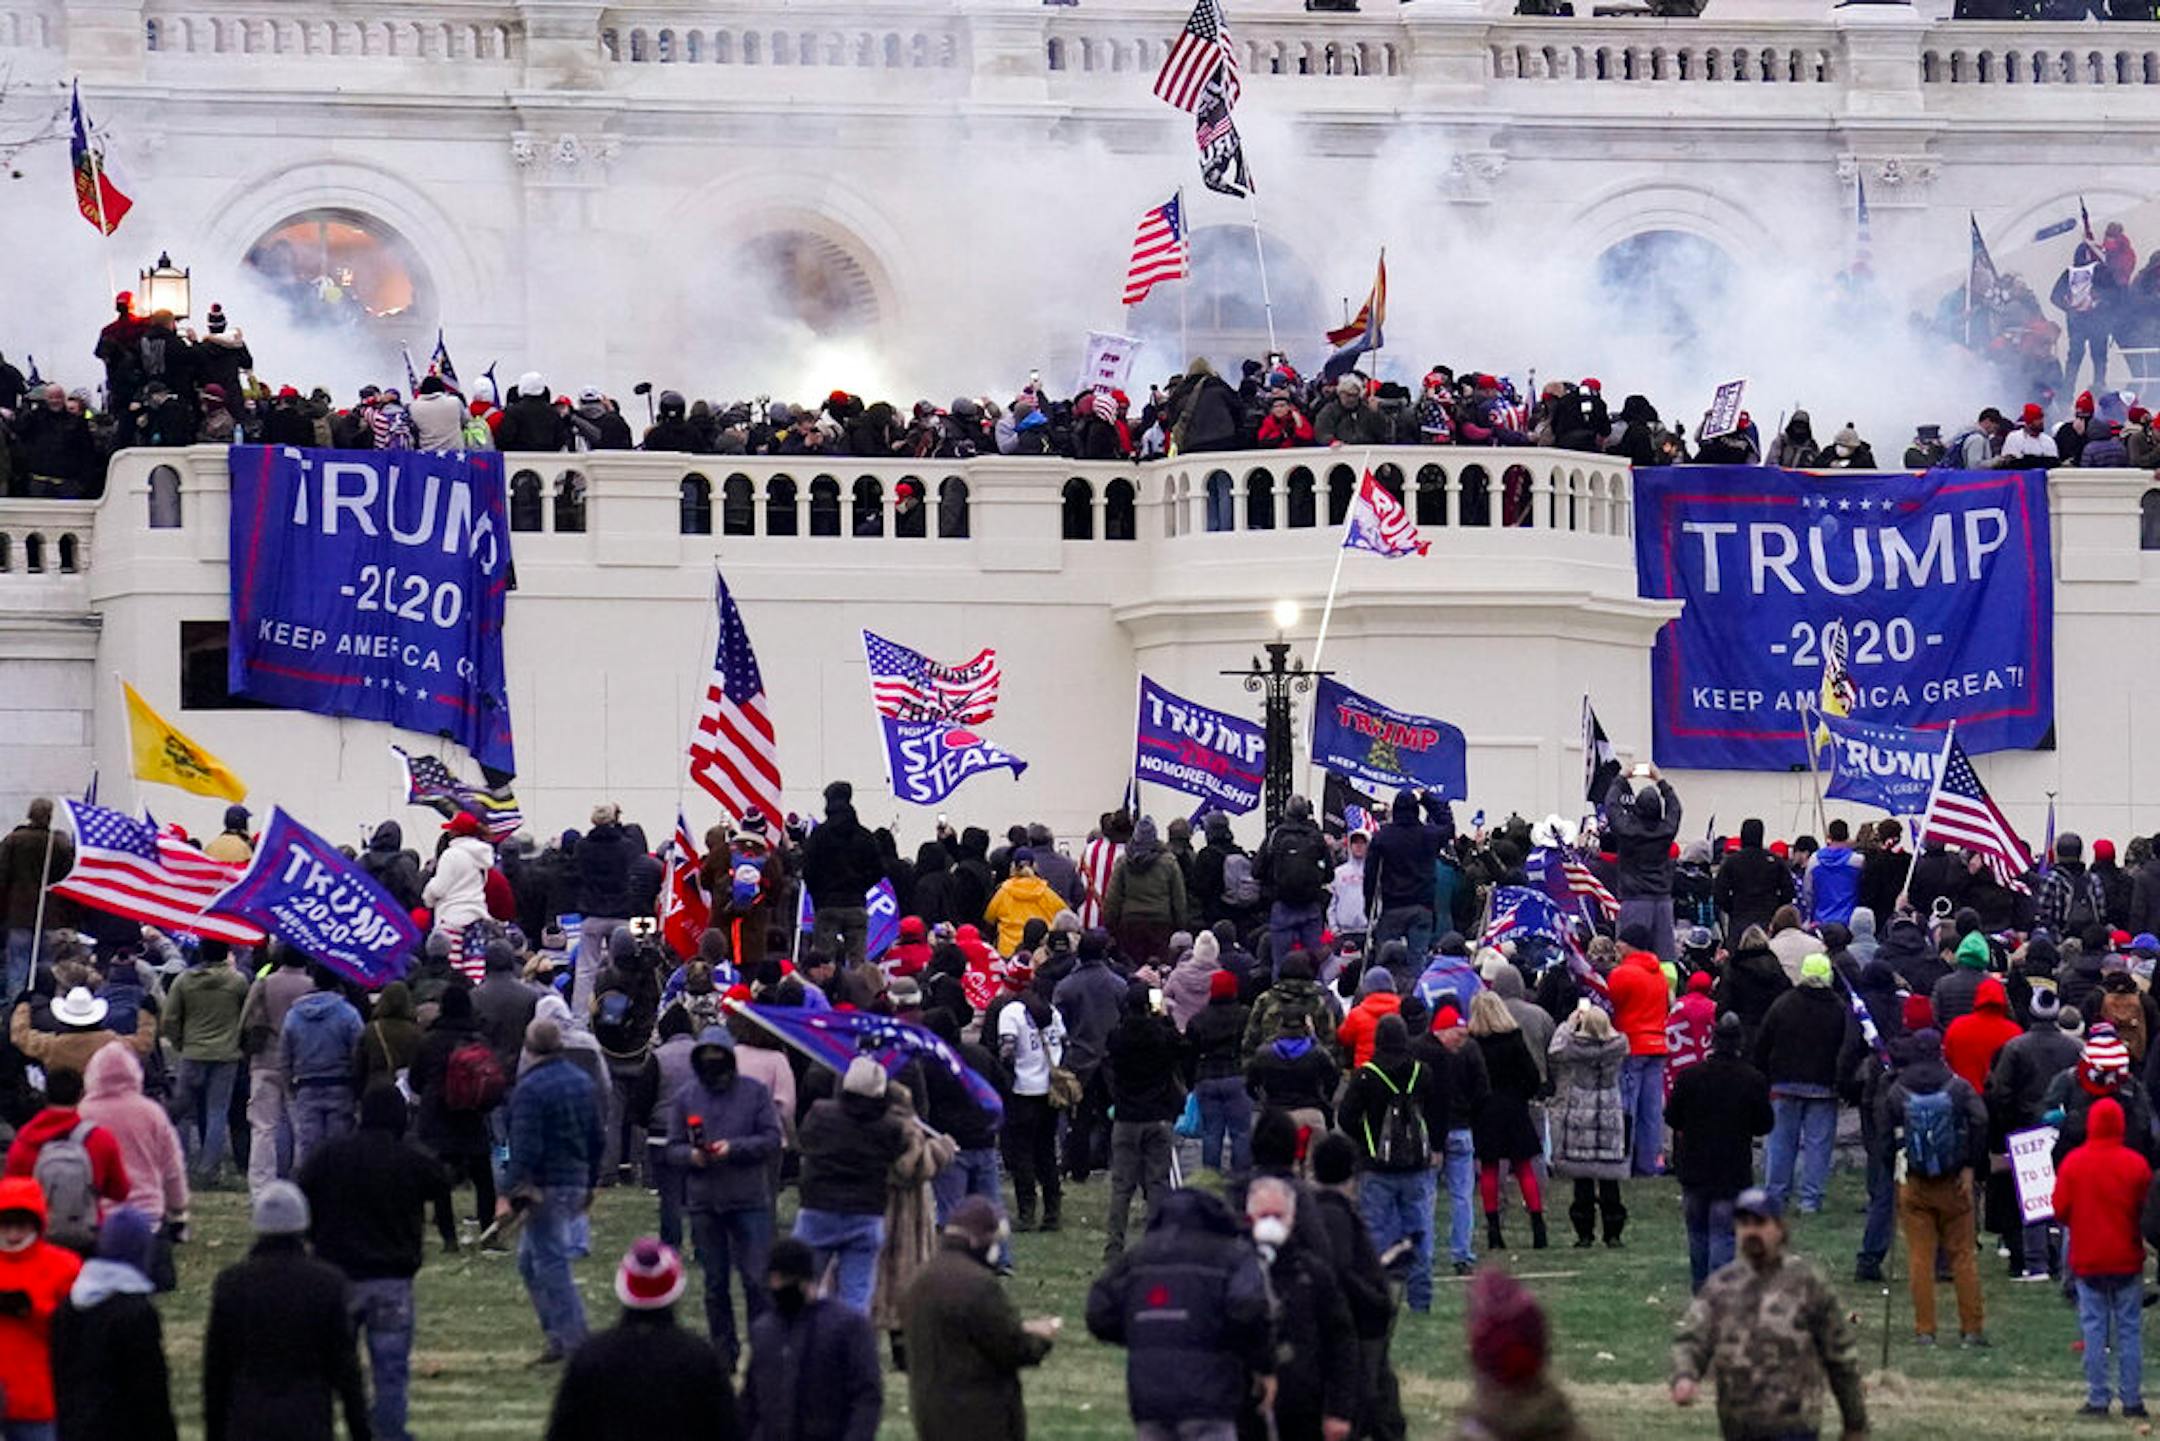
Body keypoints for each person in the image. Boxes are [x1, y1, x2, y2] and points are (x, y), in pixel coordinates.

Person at [295, 1084, 453, 1441]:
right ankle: (389, 1432)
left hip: (335, 1277)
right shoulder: (408, 1159)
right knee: (391, 1368)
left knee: (328, 1367)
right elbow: (442, 1181)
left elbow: (300, 1188)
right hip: (392, 1278)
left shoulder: (329, 1156)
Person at [1670, 1187, 1869, 1441]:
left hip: (1795, 1427)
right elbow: (1692, 1338)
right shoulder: (1721, 1286)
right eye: (1744, 1223)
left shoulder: (1807, 1284)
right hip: (1738, 1428)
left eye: (1760, 1223)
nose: (1751, 1231)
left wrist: (1855, 1423)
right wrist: (1685, 1376)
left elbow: (1840, 1357)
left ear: (1779, 1228)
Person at [1086, 1187, 1275, 1441]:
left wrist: (1142, 1332)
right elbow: (1248, 1310)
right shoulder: (1232, 1256)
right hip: (1211, 1395)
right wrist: (1260, 1363)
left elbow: (1099, 1310)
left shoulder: (1138, 1256)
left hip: (1150, 1397)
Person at [203, 1181, 372, 1441]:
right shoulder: (327, 1283)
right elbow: (345, 1366)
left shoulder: (232, 1284)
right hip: (308, 1420)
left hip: (247, 1421)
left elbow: (217, 1369)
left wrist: (214, 1431)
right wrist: (360, 1430)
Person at [544, 1238, 740, 1441]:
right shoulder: (699, 1358)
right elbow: (728, 1430)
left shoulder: (592, 1357)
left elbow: (563, 1431)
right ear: (675, 1289)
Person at [898, 1195, 1058, 1441]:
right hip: (979, 1416)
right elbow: (1009, 1345)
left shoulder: (919, 1281)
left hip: (931, 1414)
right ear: (978, 1240)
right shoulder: (979, 1286)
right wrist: (1040, 1337)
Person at [667, 1024, 781, 1364]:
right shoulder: (685, 1097)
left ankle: (764, 1351)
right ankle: (723, 1351)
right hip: (705, 1200)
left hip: (748, 1198)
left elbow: (771, 1139)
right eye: (707, 1059)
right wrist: (692, 1156)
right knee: (715, 1284)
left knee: (756, 1281)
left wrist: (734, 1149)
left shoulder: (755, 1093)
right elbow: (672, 1148)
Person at [1876, 1026, 1989, 1347]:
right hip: (1955, 1181)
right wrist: (1970, 1165)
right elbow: (1980, 1120)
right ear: (1940, 1050)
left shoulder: (1898, 1090)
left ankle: (1925, 1330)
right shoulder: (1957, 1087)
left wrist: (1896, 1169)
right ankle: (1971, 1330)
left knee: (1919, 1259)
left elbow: (1885, 1137)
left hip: (1914, 1182)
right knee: (1963, 1257)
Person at [507, 1016, 604, 1364]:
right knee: (529, 1262)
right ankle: (558, 1335)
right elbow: (597, 1136)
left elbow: (525, 1145)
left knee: (549, 1263)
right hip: (575, 1178)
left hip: (545, 1184)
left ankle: (574, 1341)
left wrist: (511, 1189)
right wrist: (592, 1181)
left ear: (529, 1048)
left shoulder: (529, 1089)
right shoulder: (582, 1082)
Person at [2052, 1095, 2153, 1420]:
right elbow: (2147, 1209)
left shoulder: (2074, 1163)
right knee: (2129, 1329)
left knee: (2094, 1329)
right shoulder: (2135, 1164)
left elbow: (2060, 1209)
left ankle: (2097, 1397)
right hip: (2126, 1255)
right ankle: (2132, 1399)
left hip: (2088, 1257)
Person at [1243, 1176, 1358, 1441]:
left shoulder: (1313, 1274)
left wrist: (1339, 1410)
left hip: (1305, 1408)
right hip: (1245, 1409)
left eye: (1278, 1216)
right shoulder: (1235, 1272)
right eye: (1263, 1215)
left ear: (1292, 1218)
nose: (1270, 1223)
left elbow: (1341, 1341)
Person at [1338, 1013, 1440, 1311]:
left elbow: (1346, 1118)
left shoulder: (1366, 1076)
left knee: (1375, 1236)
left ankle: (1376, 1299)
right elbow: (1432, 1111)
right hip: (1415, 1165)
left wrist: (1366, 1140)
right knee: (1419, 1233)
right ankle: (1420, 1300)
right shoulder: (1422, 1073)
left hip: (1376, 1167)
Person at [737, 1236, 883, 1441]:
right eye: (774, 1280)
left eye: (783, 1280)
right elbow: (751, 1400)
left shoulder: (848, 1328)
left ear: (806, 1281)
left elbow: (866, 1397)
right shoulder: (764, 1331)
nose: (777, 1287)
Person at [1667, 1014, 1774, 1293]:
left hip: (1694, 1167)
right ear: (1740, 1043)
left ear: (1712, 1042)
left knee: (1698, 1234)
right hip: (1732, 1170)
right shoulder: (1752, 1080)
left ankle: (1702, 1288)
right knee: (1724, 1234)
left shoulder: (1690, 1077)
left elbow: (1672, 1116)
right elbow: (1765, 1124)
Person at [794, 1055, 908, 1315]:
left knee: (801, 1285)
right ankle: (852, 1348)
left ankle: (798, 1344)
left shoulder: (821, 1113)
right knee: (856, 1296)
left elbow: (805, 1140)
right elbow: (897, 1153)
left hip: (819, 1208)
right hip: (865, 1212)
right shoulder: (889, 1127)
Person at [51, 1206, 176, 1441]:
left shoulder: (70, 1304)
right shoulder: (136, 1313)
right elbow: (149, 1389)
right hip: (122, 1429)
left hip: (73, 1427)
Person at [77, 1044, 187, 1278]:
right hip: (148, 1216)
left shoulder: (83, 1113)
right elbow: (172, 1167)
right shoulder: (151, 1113)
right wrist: (178, 1206)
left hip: (97, 1219)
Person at [1755, 954, 1854, 1215]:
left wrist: (1764, 1075)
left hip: (1784, 1082)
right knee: (1818, 1146)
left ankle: (1775, 1196)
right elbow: (1845, 1049)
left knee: (1779, 1143)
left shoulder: (1783, 1004)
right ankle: (1810, 1199)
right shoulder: (1838, 1009)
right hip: (1824, 1085)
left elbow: (1763, 1042)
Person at [4, 1067, 131, 1250]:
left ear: (46, 1094)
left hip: (38, 1237)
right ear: (81, 1095)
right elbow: (120, 1191)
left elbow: (12, 1190)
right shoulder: (99, 1139)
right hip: (87, 1234)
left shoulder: (25, 1141)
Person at [1103, 982, 1183, 1259]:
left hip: (1126, 1116)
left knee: (1122, 1185)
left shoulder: (1117, 1037)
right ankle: (1157, 1242)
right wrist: (1164, 1016)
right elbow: (1180, 1046)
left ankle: (1114, 1245)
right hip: (1158, 1115)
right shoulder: (1161, 1036)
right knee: (1157, 1183)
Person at [0, 1176, 83, 1441]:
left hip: (39, 1398)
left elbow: (76, 1331)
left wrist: (30, 1311)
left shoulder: (63, 1266)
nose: (13, 1234)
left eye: (20, 1224)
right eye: (6, 1225)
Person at [162, 939, 251, 1182]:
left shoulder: (184, 981)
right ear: (227, 953)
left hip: (192, 1052)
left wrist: (181, 1043)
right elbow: (247, 1017)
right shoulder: (238, 981)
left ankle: (176, 1161)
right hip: (226, 1055)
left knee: (182, 1110)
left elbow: (169, 1018)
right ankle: (209, 1169)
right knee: (217, 1111)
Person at [1467, 990, 1546, 1251]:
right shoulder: (1514, 1038)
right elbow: (1532, 1075)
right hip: (1513, 1106)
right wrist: (1520, 1095)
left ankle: (1494, 1230)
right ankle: (1537, 1225)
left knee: (1489, 1168)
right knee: (1523, 1165)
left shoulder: (1473, 1043)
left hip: (1486, 1109)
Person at [1549, 1002, 1630, 1248]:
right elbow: (1617, 1038)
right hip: (1608, 1111)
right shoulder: (1619, 1047)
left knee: (1582, 1179)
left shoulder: (1573, 1048)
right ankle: (1613, 1231)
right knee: (1609, 1179)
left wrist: (1569, 1023)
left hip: (1580, 1112)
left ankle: (1584, 1233)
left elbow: (1555, 1049)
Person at [994, 960, 1065, 1232]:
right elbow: (1065, 1041)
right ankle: (1052, 1213)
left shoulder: (1010, 1012)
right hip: (1049, 1090)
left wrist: (1006, 1075)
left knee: (1021, 1153)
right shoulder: (1050, 1009)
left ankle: (1026, 1212)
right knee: (1046, 1151)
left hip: (1023, 1090)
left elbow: (1007, 1050)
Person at [237, 944, 314, 1195]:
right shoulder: (311, 987)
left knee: (262, 1127)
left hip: (264, 1059)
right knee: (301, 1128)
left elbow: (246, 1019)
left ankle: (260, 1185)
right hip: (300, 1064)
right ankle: (302, 1183)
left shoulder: (264, 983)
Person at [282, 968, 363, 1170]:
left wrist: (288, 1085)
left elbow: (284, 1055)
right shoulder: (349, 1014)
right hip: (341, 1084)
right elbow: (359, 1052)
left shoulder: (293, 1015)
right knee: (339, 1144)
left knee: (308, 1143)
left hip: (306, 1085)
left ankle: (311, 1187)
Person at [1605, 927, 1671, 1177]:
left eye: (1621, 943)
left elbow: (1611, 1005)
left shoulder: (1622, 974)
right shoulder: (1659, 975)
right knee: (1651, 1110)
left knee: (1627, 1107)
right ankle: (1649, 1162)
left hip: (1632, 1046)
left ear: (1630, 945)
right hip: (1657, 1045)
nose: (1617, 947)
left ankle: (1625, 1159)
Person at [800, 783, 885, 965]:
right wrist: (860, 886)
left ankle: (826, 992)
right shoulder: (864, 836)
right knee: (858, 962)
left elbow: (808, 870)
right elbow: (878, 870)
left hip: (827, 905)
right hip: (855, 903)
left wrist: (820, 895)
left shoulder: (819, 836)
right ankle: (857, 992)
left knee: (823, 962)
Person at [0, 799, 73, 1005]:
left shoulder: (13, 841)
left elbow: (2, 878)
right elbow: (68, 879)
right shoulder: (58, 844)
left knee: (18, 966)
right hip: (50, 915)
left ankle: (15, 1012)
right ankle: (44, 1007)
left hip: (19, 915)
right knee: (46, 967)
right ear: (49, 816)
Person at [1365, 790, 1450, 965]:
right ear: (1416, 810)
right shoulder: (1428, 835)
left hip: (1392, 907)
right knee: (1417, 960)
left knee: (1386, 960)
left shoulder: (1383, 837)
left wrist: (1368, 908)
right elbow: (1448, 825)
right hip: (1421, 907)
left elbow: (1370, 877)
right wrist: (1427, 798)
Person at [1605, 767, 1682, 961]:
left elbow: (1611, 806)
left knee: (1630, 959)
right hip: (1662, 900)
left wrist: (1621, 778)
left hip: (1634, 899)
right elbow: (1675, 808)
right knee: (1665, 962)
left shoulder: (1626, 830)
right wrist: (1660, 779)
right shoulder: (1666, 830)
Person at [1184, 969, 1250, 1183]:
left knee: (1212, 1133)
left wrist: (1190, 1080)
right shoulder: (1244, 1015)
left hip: (1207, 1077)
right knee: (1240, 1132)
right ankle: (1241, 1178)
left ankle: (1210, 1177)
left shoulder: (1198, 1020)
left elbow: (1190, 1052)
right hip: (1236, 1075)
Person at [1257, 797, 1333, 969]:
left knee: (1280, 963)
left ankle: (1280, 994)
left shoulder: (1276, 835)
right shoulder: (1316, 837)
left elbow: (1257, 870)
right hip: (1311, 907)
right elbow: (1329, 874)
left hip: (1282, 905)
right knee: (1314, 963)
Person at [1105, 819, 1189, 967]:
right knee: (1159, 968)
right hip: (1161, 924)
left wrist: (1111, 926)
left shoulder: (1123, 862)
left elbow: (1113, 898)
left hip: (1130, 924)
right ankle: (1155, 990)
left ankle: (1136, 989)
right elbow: (1179, 898)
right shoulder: (1169, 862)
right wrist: (1181, 925)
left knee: (1133, 967)